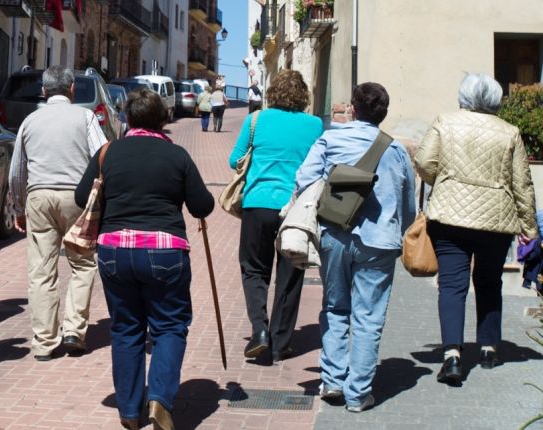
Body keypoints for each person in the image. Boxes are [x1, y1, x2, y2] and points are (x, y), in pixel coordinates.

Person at [76, 88, 214, 430]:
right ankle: (160, 401)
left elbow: (82, 197)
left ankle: (129, 409)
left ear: (128, 118)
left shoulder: (108, 153)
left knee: (126, 328)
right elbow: (203, 206)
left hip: (114, 251)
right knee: (169, 326)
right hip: (165, 251)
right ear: (162, 119)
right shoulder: (177, 156)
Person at [294, 82, 416, 412]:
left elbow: (304, 178)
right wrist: (401, 232)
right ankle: (359, 393)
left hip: (334, 233)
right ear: (383, 113)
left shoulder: (330, 138)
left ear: (353, 108)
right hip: (380, 242)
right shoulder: (396, 151)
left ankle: (332, 380)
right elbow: (409, 206)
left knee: (335, 307)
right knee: (369, 316)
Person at [414, 73, 538, 385]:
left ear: (463, 97)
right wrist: (529, 227)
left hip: (450, 216)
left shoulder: (446, 121)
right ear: (496, 100)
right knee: (489, 282)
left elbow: (425, 162)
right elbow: (521, 183)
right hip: (495, 220)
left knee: (452, 285)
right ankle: (487, 348)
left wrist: (443, 182)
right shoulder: (510, 132)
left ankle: (452, 355)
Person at [7, 65, 107, 362]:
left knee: (41, 270)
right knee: (82, 264)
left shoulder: (30, 121)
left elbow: (17, 171)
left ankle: (43, 341)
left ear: (43, 90)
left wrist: (19, 206)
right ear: (72, 88)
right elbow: (101, 155)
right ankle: (74, 329)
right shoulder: (85, 116)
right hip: (77, 197)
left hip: (39, 196)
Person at [228, 70, 323, 364]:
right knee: (290, 272)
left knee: (254, 269)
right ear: (303, 95)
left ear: (273, 93)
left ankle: (259, 330)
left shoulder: (256, 120)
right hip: (296, 207)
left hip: (257, 204)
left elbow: (235, 160)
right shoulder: (315, 124)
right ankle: (281, 341)